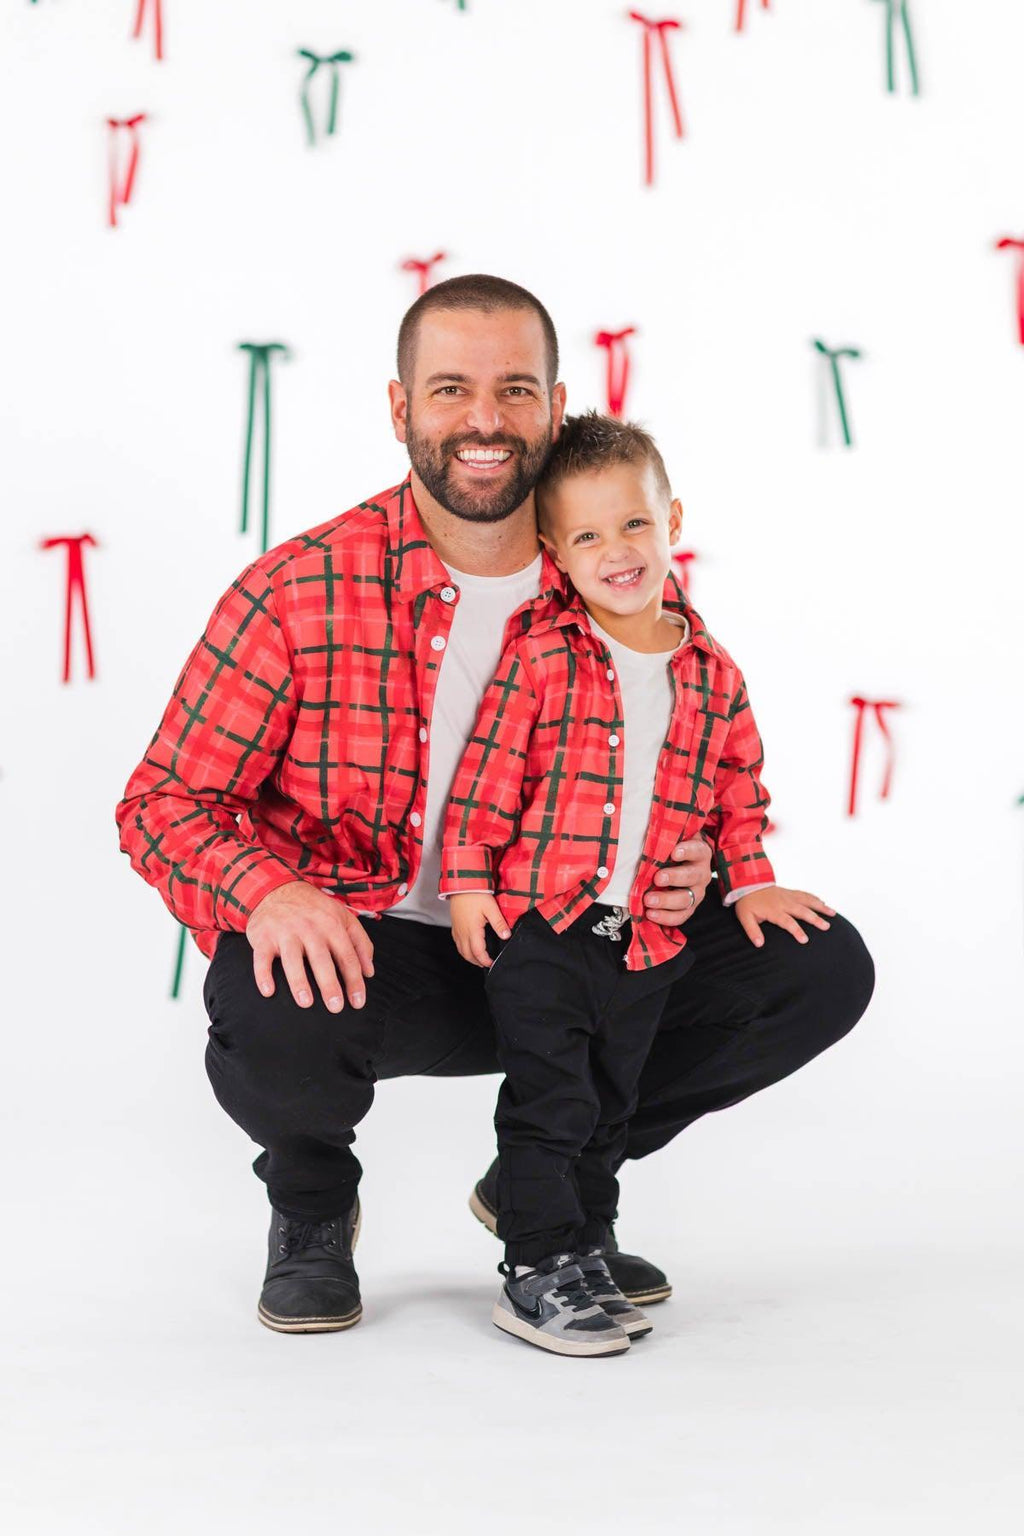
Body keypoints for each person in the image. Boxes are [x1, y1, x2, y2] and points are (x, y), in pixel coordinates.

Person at [114, 275, 874, 1336]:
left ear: (554, 409)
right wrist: (272, 892)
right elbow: (165, 800)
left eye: (515, 390)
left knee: (816, 964)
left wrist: (700, 858)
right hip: (383, 960)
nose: (483, 420)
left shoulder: (610, 573)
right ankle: (313, 1207)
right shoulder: (300, 590)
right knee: (266, 977)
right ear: (400, 410)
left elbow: (683, 749)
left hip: (571, 939)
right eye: (450, 390)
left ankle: (550, 1186)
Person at [443, 411, 840, 1356]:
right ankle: (536, 1268)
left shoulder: (711, 672)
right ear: (555, 553)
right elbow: (488, 778)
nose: (616, 551)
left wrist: (749, 885)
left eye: (633, 524)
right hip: (546, 928)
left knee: (612, 1100)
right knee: (553, 1099)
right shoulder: (543, 655)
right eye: (586, 535)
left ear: (673, 520)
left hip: (646, 937)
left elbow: (739, 791)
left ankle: (585, 1240)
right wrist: (466, 884)